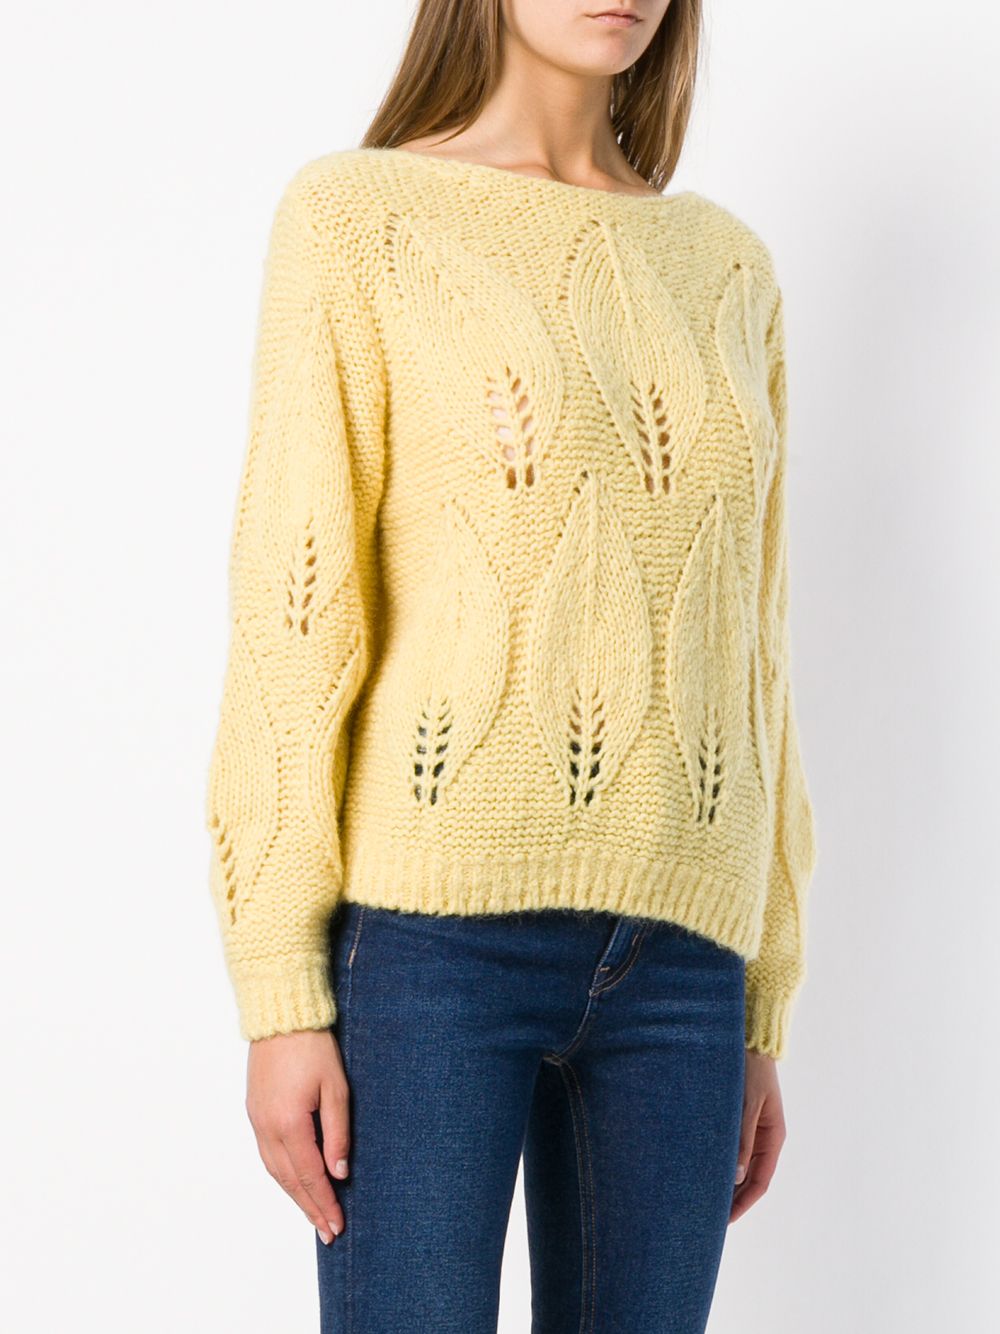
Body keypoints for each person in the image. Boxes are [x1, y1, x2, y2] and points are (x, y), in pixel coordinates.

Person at [204, 1, 819, 1329]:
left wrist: (763, 994)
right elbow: (298, 613)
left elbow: (755, 646)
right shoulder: (361, 219)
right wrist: (280, 994)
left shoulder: (728, 266)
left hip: (685, 968)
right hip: (433, 954)